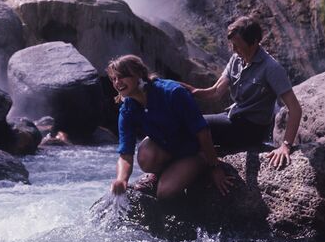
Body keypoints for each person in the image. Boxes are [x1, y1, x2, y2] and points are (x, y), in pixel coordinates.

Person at [107, 54, 232, 200]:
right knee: (145, 156)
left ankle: (201, 162)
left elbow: (202, 132)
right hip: (169, 149)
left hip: (193, 150)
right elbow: (125, 153)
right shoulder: (128, 108)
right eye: (114, 79)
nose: (117, 82)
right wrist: (121, 180)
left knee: (165, 192)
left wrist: (215, 167)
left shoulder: (172, 92)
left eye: (122, 76)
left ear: (139, 74)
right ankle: (164, 172)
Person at [184, 17, 302, 170]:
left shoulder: (271, 68)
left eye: (237, 46)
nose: (234, 50)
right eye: (232, 45)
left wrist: (285, 145)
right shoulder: (236, 60)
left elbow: (295, 109)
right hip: (233, 117)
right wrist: (191, 91)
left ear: (253, 43)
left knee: (198, 126)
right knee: (188, 123)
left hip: (251, 129)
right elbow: (215, 93)